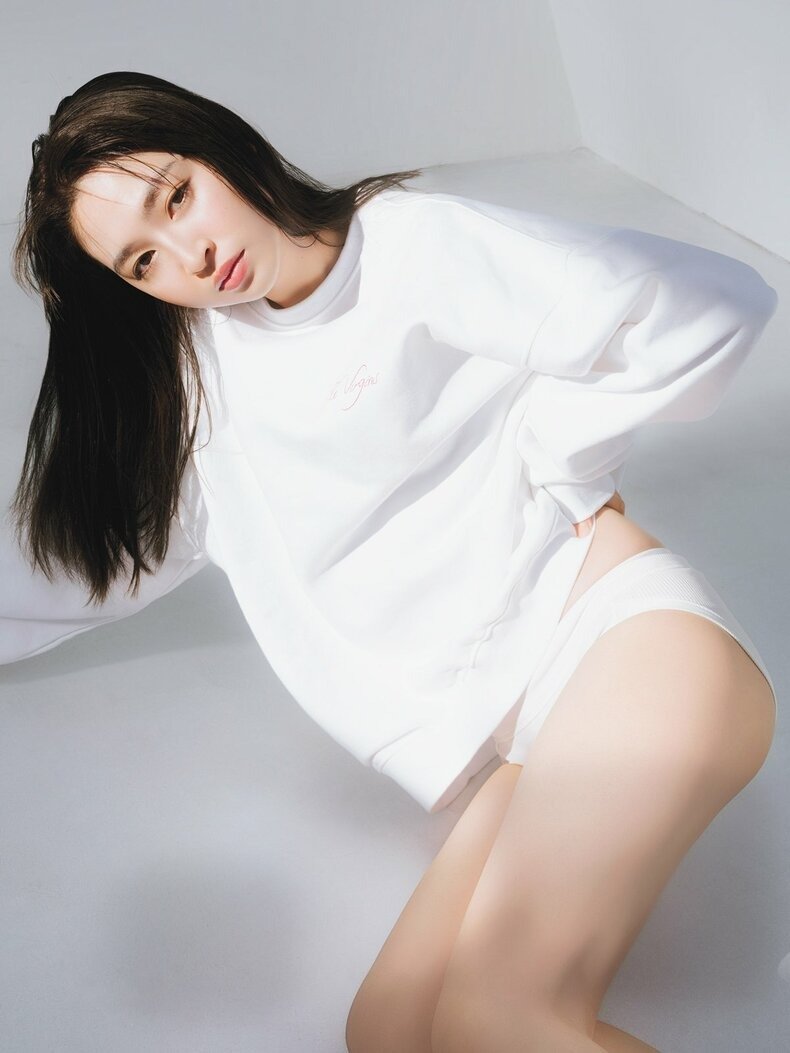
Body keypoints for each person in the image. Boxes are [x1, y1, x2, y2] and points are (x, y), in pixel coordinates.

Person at [2, 71, 779, 1053]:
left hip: (628, 645)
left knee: (501, 1015)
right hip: (529, 735)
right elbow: (87, 566)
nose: (191, 254)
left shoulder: (410, 244)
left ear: (216, 147)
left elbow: (707, 303)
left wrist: (558, 452)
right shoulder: (201, 392)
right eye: (144, 261)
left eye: (178, 196)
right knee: (386, 1031)